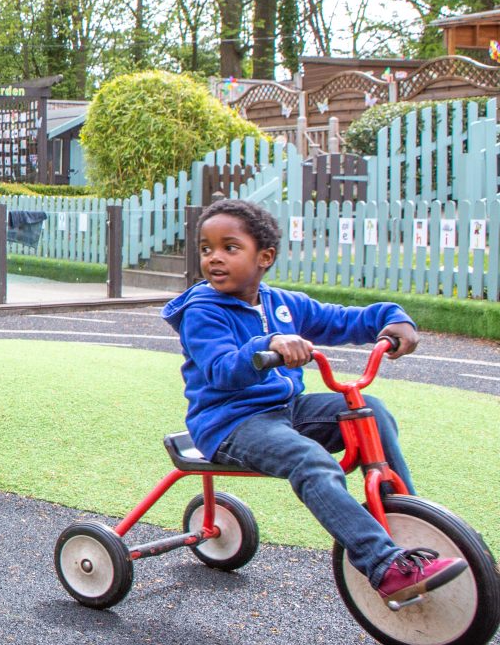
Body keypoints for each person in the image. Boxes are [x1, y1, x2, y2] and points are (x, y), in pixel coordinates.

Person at [161, 198, 467, 603]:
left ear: (264, 257)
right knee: (311, 461)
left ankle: (404, 520)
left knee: (369, 412)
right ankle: (384, 566)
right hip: (230, 422)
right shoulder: (204, 311)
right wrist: (266, 343)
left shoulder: (282, 304)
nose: (214, 258)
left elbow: (342, 319)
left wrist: (391, 318)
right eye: (206, 249)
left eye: (229, 248)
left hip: (287, 412)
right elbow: (221, 370)